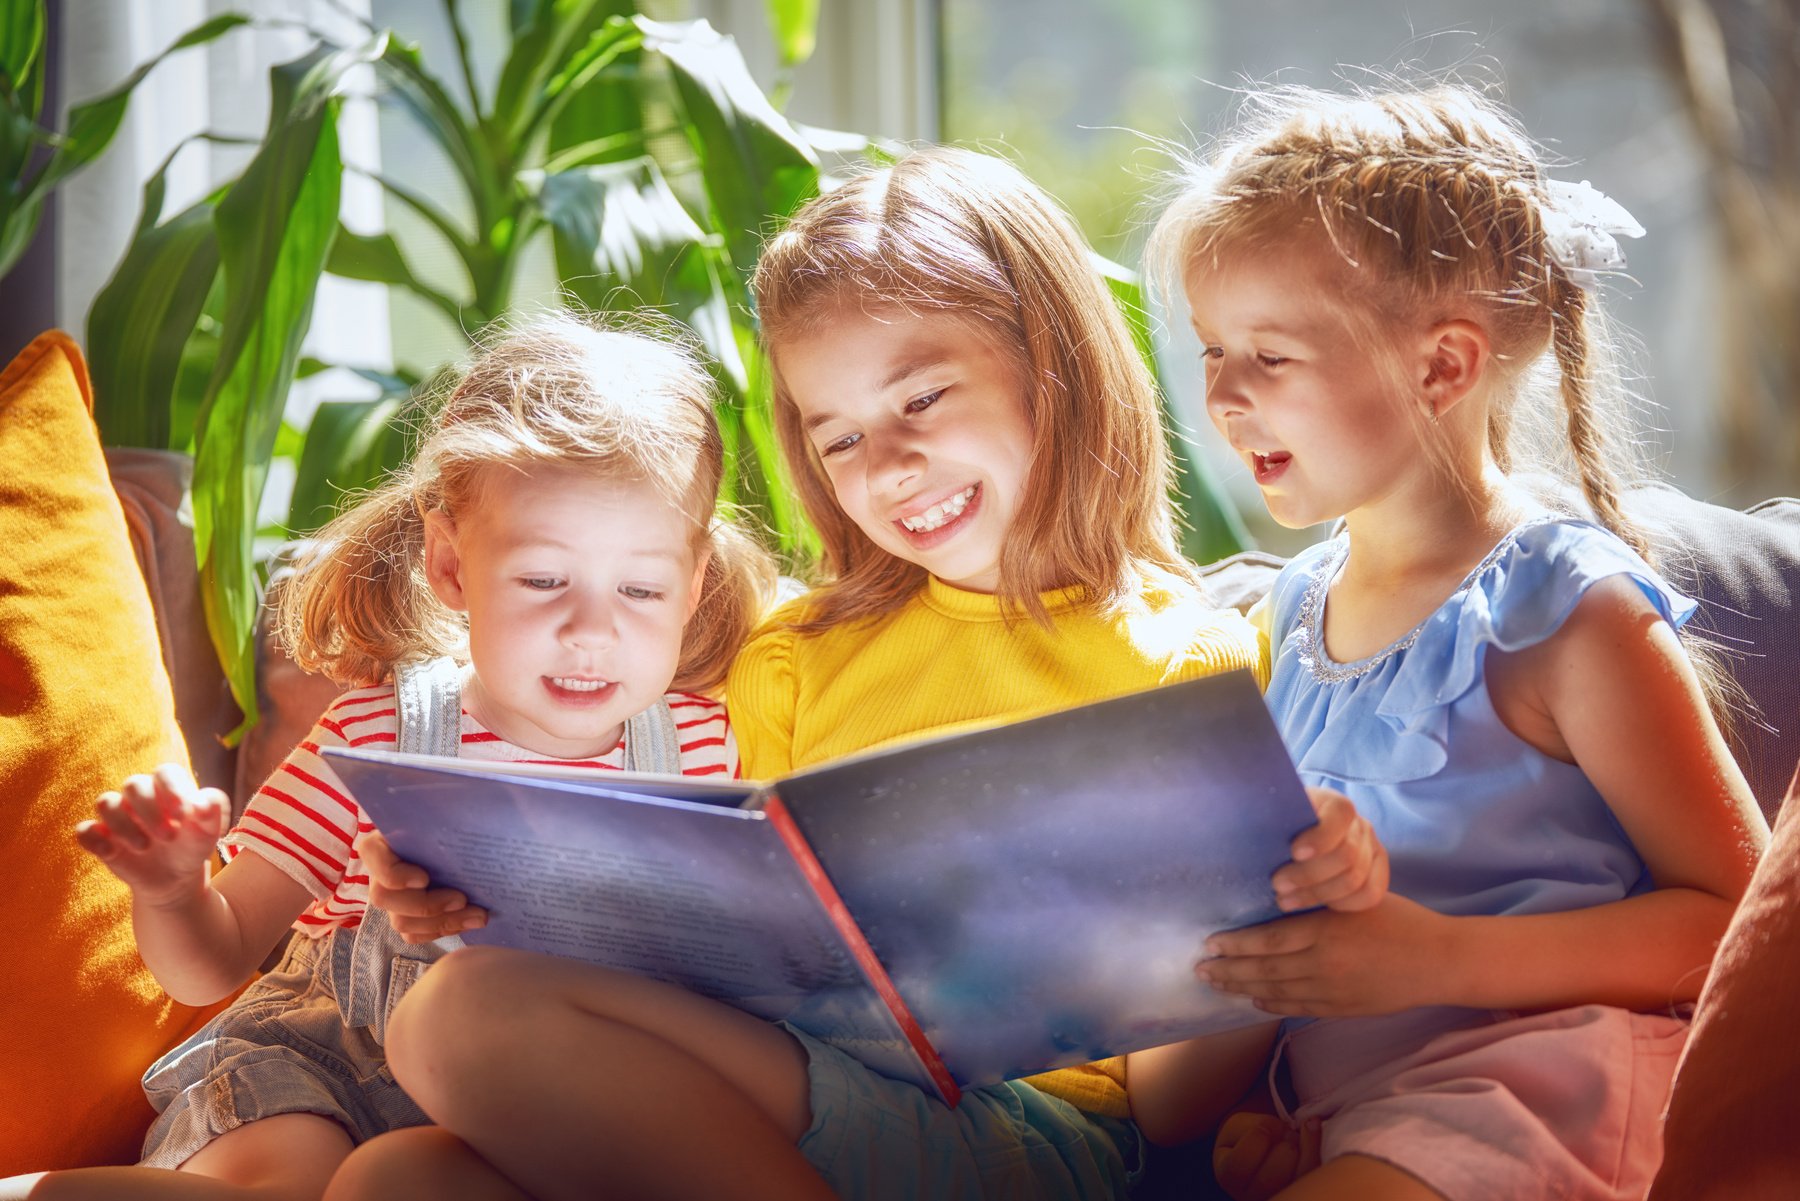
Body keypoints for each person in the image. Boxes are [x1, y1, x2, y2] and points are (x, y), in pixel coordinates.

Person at [317, 146, 1385, 1201]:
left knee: (463, 1016)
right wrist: (481, 891)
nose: (886, 465)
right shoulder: (793, 657)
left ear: (1050, 360)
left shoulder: (1184, 664)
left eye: (919, 399)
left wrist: (1272, 910)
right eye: (839, 439)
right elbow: (699, 949)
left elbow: (1171, 1108)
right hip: (792, 1092)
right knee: (394, 1176)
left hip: (1038, 1136)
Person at [1128, 83, 1769, 1201]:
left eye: (1269, 357)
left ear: (1442, 367)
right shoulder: (1289, 611)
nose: (1221, 395)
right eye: (1213, 349)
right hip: (1361, 1111)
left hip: (1541, 1090)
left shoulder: (1563, 612)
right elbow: (1172, 1092)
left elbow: (1743, 933)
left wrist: (1438, 959)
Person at [0, 314, 773, 1201]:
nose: (591, 629)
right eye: (542, 578)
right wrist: (173, 889)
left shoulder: (705, 749)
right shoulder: (377, 739)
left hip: (528, 1117)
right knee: (292, 1181)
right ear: (450, 564)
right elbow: (212, 964)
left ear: (695, 582)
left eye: (641, 588)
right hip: (322, 1076)